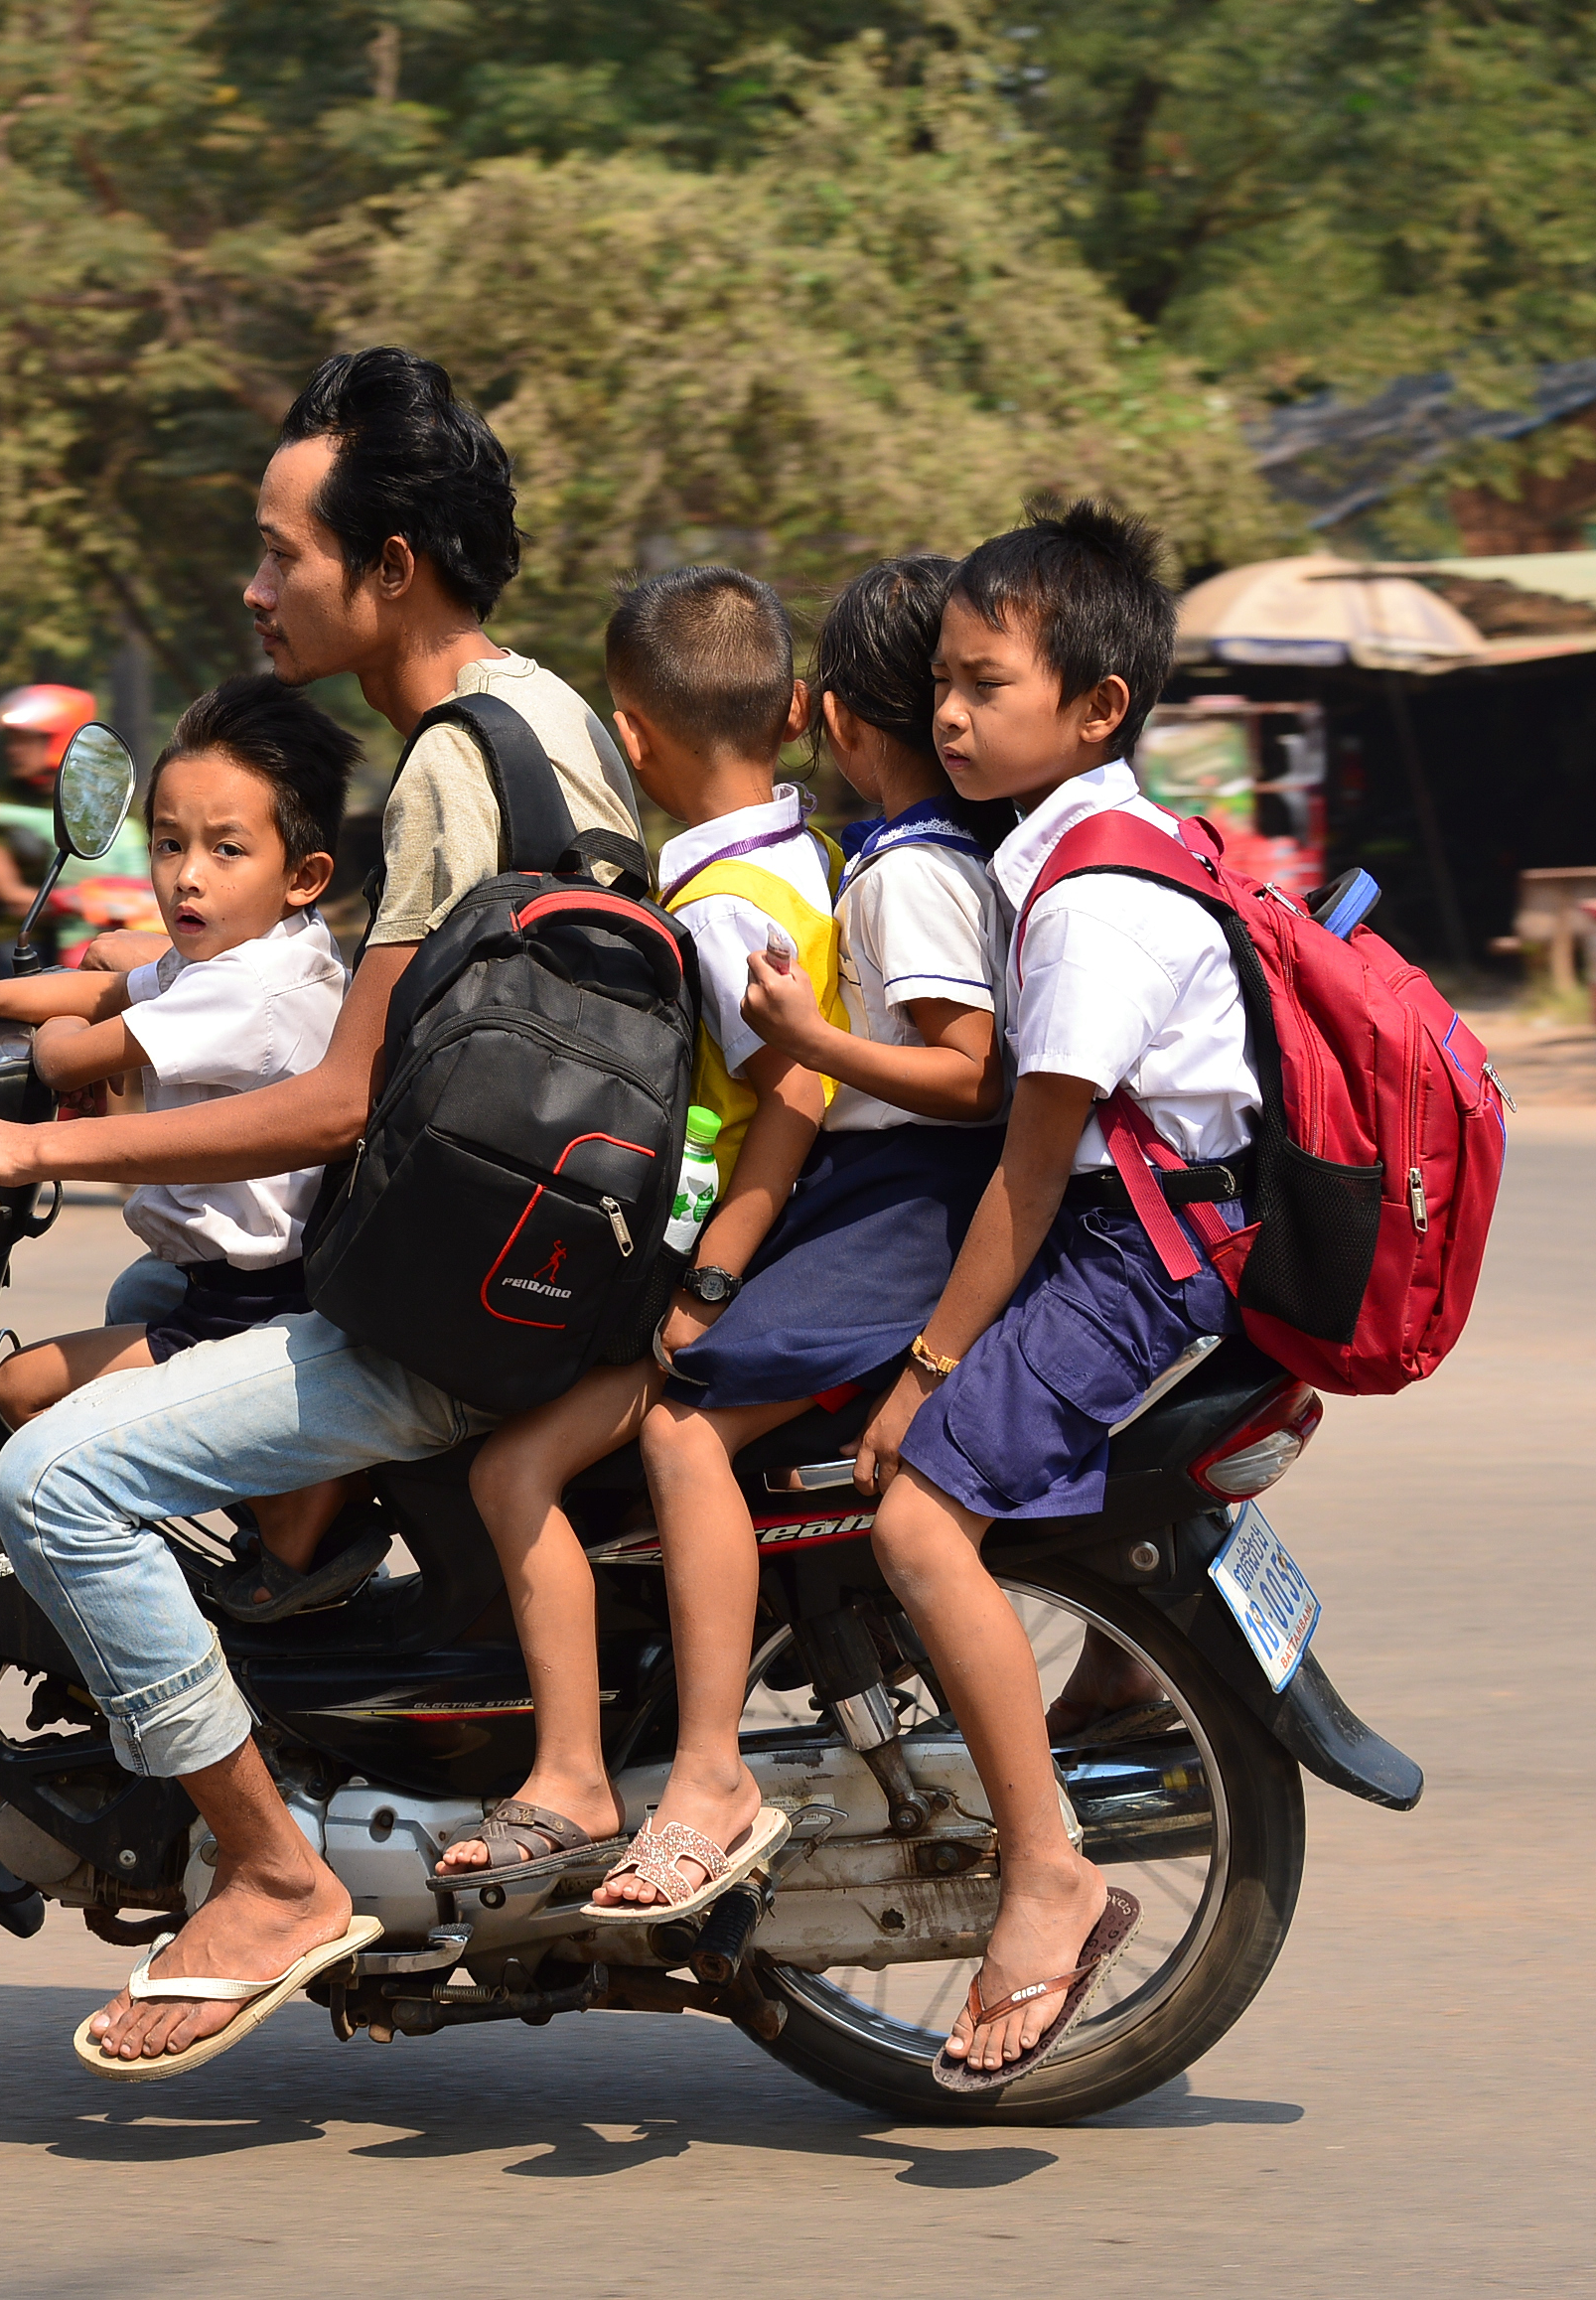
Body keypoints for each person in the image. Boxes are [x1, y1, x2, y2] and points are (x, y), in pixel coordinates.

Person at [0, 346, 643, 2075]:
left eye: (280, 553)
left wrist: (29, 1152)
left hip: (442, 1315)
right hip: (554, 1267)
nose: (252, 588)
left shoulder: (457, 763)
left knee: (51, 1473)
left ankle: (263, 1866)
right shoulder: (555, 718)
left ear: (387, 568)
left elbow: (336, 1097)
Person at [848, 501, 1254, 2088]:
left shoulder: (1091, 900)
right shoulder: (1081, 847)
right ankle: (1125, 1675)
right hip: (1145, 1227)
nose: (949, 713)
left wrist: (926, 1371)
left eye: (986, 684)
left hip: (1137, 1253)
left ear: (1095, 709)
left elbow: (1032, 1169)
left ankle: (1048, 1873)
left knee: (911, 1515)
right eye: (941, 680)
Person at [591, 553, 1019, 1914]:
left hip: (903, 1201)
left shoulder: (875, 878)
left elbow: (933, 1075)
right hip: (886, 1190)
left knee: (677, 1424)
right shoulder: (838, 852)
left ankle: (707, 1768)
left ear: (828, 718)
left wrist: (710, 1282)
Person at [430, 566, 837, 1894]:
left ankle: (574, 1772)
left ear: (634, 738)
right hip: (782, 1240)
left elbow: (791, 1093)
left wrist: (707, 1286)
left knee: (508, 1471)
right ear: (789, 713)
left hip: (716, 1255)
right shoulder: (797, 860)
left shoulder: (716, 905)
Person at [0, 675, 376, 1620]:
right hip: (252, 1280)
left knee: (19, 1392)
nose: (187, 875)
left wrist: (34, 1067)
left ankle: (270, 1556)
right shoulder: (266, 951)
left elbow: (74, 1054)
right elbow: (114, 987)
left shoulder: (242, 991)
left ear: (303, 875)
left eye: (225, 849)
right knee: (118, 1310)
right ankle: (283, 1518)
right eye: (170, 844)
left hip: (252, 1308)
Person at [0, 684, 149, 957]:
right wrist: (68, 902)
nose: (12, 751)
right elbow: (3, 887)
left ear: (60, 739)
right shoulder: (0, 801)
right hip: (21, 934)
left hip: (94, 934)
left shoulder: (100, 796)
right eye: (10, 740)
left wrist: (103, 904)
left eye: (25, 740)